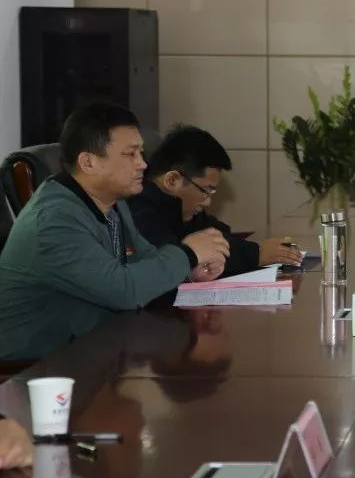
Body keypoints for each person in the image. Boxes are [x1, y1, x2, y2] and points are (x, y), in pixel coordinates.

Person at [0, 103, 230, 361]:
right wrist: (188, 254)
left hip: (93, 346)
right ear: (88, 162)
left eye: (141, 153)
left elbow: (146, 258)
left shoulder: (112, 202)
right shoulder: (53, 222)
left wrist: (188, 272)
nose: (143, 164)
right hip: (36, 367)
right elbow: (124, 291)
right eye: (130, 154)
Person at [130, 125, 301, 276]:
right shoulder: (139, 211)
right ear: (172, 180)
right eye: (205, 191)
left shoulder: (180, 209)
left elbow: (218, 235)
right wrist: (256, 254)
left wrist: (258, 251)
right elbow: (169, 261)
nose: (207, 203)